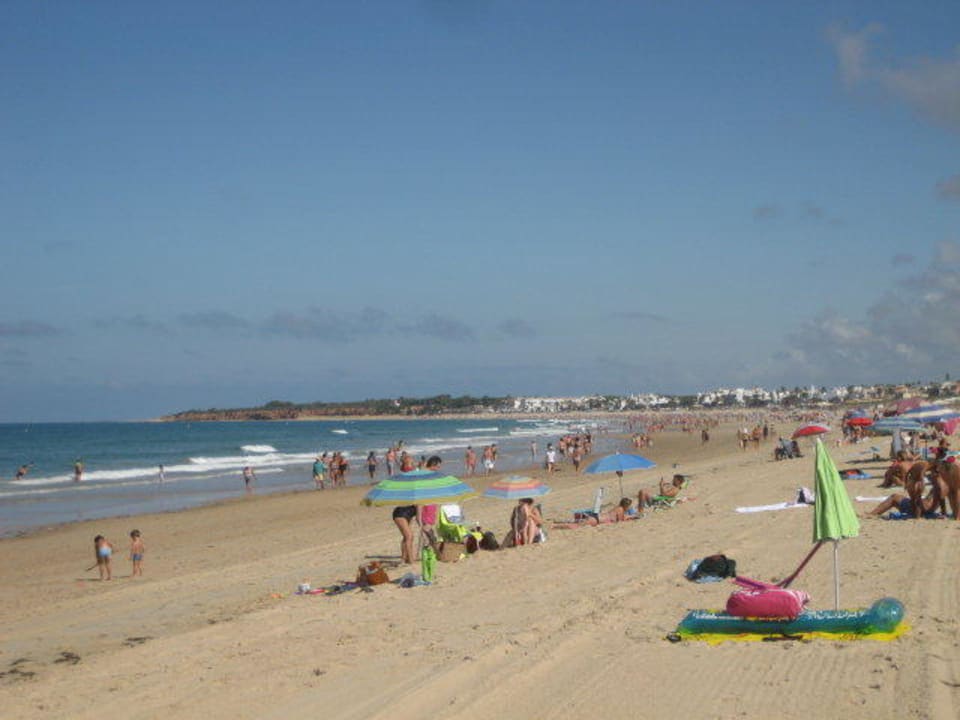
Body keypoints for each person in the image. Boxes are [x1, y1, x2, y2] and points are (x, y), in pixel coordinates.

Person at [553, 498, 634, 528]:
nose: (629, 507)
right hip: (596, 520)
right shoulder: (621, 510)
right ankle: (555, 525)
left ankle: (558, 522)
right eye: (629, 506)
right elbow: (620, 520)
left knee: (575, 522)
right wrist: (630, 517)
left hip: (597, 516)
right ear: (626, 506)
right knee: (575, 526)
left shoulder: (617, 508)